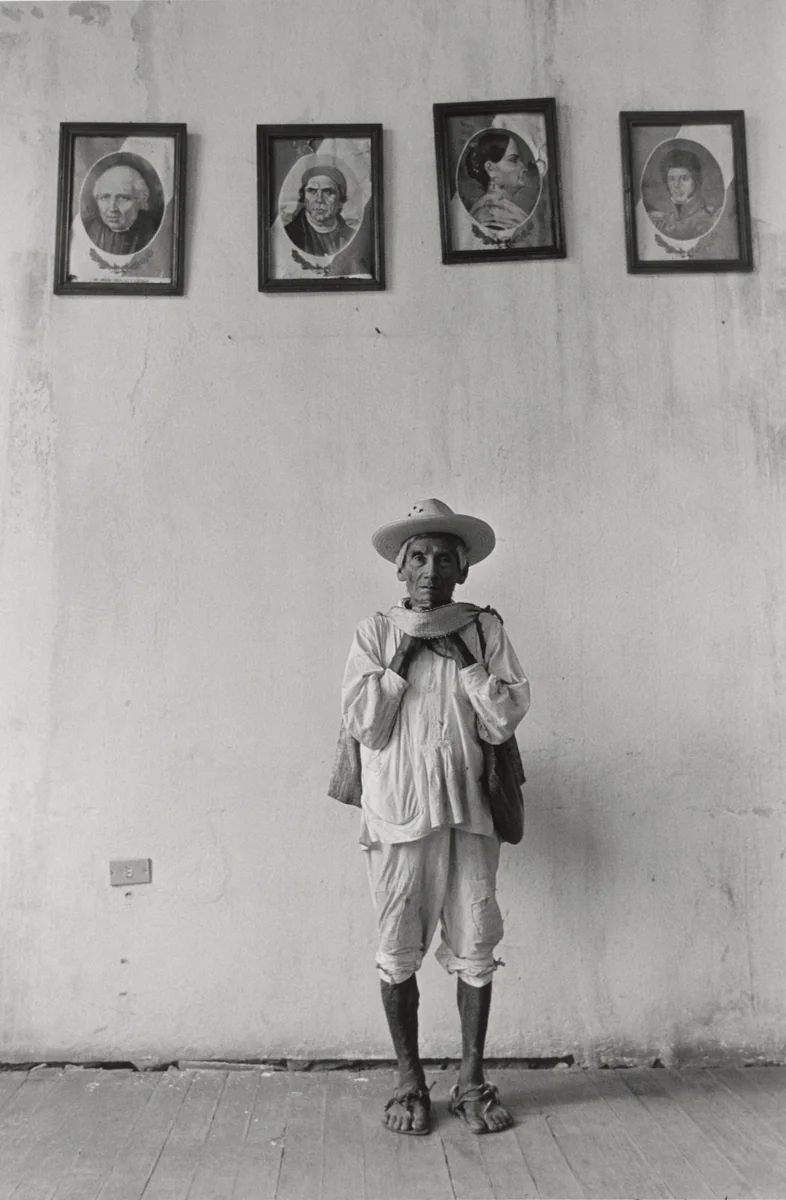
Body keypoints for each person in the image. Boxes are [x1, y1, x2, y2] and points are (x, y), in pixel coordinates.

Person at [338, 499, 530, 1136]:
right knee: (398, 945)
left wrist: (465, 662)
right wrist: (405, 657)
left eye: (444, 558)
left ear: (462, 570)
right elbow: (365, 724)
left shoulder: (483, 629)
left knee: (477, 940)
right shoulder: (375, 633)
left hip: (469, 813)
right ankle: (409, 1081)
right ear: (401, 570)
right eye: (418, 557)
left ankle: (472, 1082)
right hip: (398, 816)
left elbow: (503, 718)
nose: (430, 570)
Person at [464, 130, 538, 233]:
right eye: (513, 160)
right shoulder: (492, 216)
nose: (523, 167)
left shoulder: (500, 211)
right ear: (490, 169)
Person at [83, 163, 160, 255]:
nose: (112, 208)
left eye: (123, 198)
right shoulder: (88, 228)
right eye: (105, 197)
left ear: (140, 201)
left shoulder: (154, 231)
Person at [283, 165, 356, 257]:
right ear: (304, 198)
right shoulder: (289, 235)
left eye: (328, 192)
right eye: (312, 191)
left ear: (340, 201)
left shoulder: (352, 236)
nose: (319, 199)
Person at [646, 148, 717, 240]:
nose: (676, 185)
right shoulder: (658, 218)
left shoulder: (709, 218)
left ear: (696, 181)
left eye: (684, 178)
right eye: (672, 179)